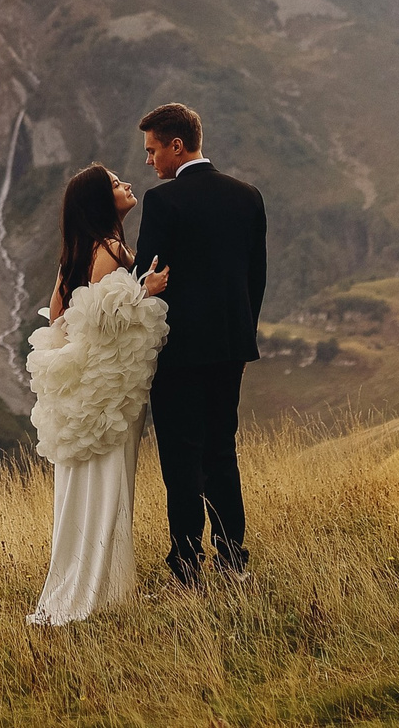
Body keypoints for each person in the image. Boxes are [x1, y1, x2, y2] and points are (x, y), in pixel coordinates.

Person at [24, 162, 170, 626]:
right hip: (110, 392)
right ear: (100, 201)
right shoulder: (109, 249)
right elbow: (104, 317)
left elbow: (57, 314)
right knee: (110, 480)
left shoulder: (80, 250)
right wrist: (143, 290)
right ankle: (98, 591)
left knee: (86, 484)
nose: (126, 184)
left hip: (90, 389)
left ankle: (94, 585)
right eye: (114, 184)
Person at [131, 101, 267, 586]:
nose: (149, 162)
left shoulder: (163, 202)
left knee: (181, 459)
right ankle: (233, 563)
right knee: (221, 452)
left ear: (176, 145)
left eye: (152, 151)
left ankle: (186, 567)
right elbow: (257, 279)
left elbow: (144, 277)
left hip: (178, 352)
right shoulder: (248, 197)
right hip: (231, 348)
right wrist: (239, 332)